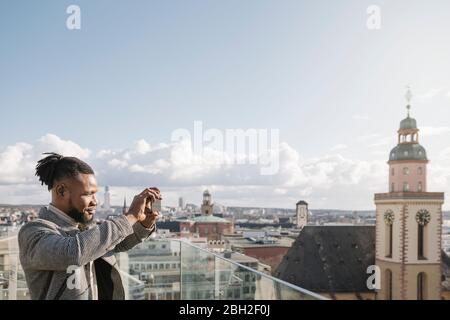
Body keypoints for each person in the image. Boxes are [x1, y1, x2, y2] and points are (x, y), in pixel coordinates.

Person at [18, 152, 161, 300]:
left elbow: (116, 244)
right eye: (88, 194)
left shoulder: (84, 228)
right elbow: (73, 253)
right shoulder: (33, 232)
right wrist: (130, 216)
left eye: (95, 194)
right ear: (61, 191)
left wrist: (144, 223)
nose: (95, 201)